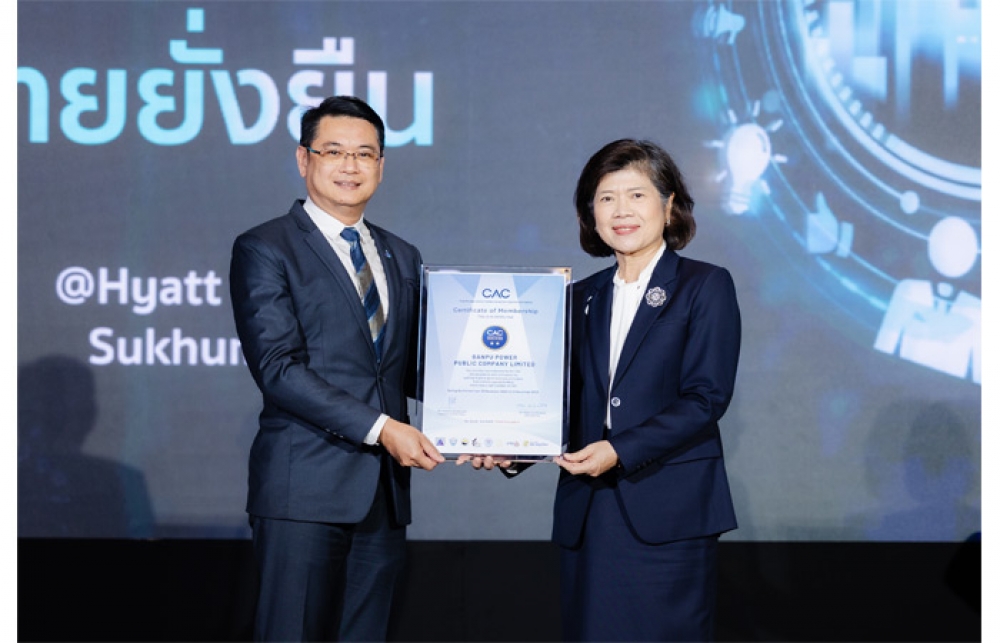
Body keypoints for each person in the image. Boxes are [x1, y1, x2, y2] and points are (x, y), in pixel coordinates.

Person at [463, 138, 741, 641]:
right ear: (590, 214)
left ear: (669, 205)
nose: (621, 211)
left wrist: (619, 449)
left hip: (667, 509)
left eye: (636, 195)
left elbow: (706, 398)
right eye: (606, 198)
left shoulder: (704, 285)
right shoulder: (577, 297)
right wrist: (511, 448)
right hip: (590, 509)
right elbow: (558, 403)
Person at [229, 95, 444, 642]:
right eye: (334, 151)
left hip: (383, 498)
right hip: (303, 491)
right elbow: (278, 368)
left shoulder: (402, 254)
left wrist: (489, 424)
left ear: (381, 166)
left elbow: (413, 369)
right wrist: (383, 428)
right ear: (304, 159)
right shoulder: (265, 247)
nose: (351, 165)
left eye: (365, 154)